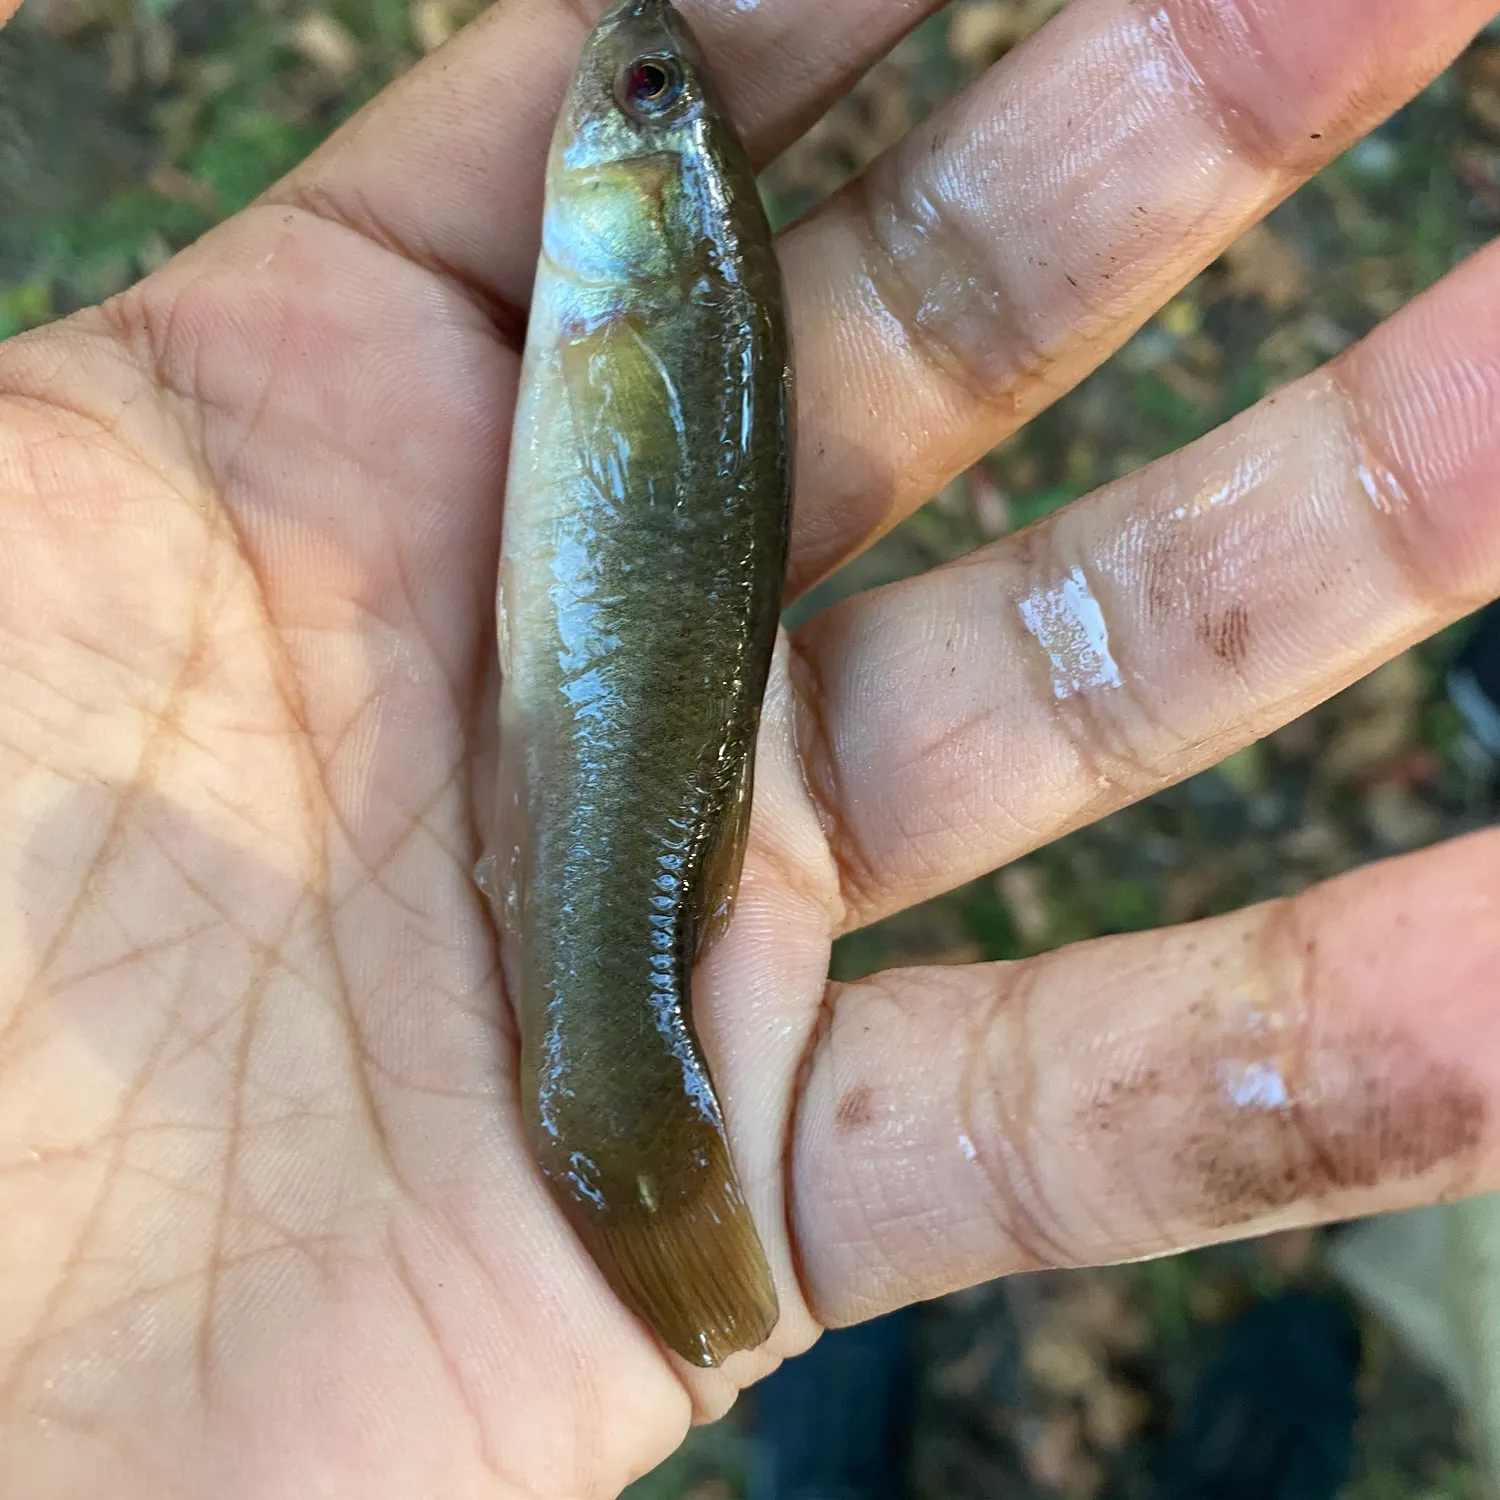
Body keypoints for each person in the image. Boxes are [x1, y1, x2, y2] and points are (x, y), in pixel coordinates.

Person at [0, 0, 1498, 1493]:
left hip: (602, 765)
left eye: (643, 91)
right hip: (587, 759)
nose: (615, 88)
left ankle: (661, 1176)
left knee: (625, 966)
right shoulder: (629, 298)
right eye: (654, 85)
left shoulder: (649, 299)